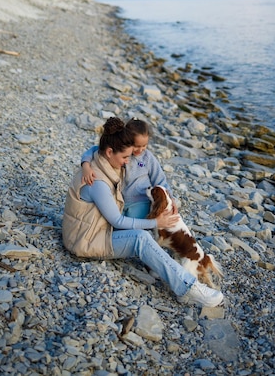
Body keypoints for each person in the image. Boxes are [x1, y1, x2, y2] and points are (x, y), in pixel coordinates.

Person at [62, 117, 224, 307]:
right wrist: (156, 223)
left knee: (146, 237)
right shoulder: (98, 182)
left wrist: (85, 162)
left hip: (93, 231)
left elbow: (92, 151)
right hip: (86, 240)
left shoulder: (100, 161)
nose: (126, 163)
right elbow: (117, 221)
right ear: (109, 152)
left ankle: (179, 266)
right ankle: (188, 287)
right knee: (142, 238)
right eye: (124, 158)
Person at [81, 118, 178, 218]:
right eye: (137, 146)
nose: (140, 150)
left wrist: (171, 199)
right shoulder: (123, 153)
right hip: (120, 200)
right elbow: (95, 150)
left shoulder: (147, 158)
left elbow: (160, 179)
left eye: (144, 145)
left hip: (142, 201)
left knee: (135, 225)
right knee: (116, 224)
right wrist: (86, 165)